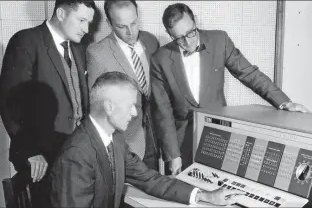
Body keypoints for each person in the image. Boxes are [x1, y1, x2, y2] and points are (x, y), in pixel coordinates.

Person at [150, 3, 309, 175]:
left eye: (190, 33)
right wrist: (173, 155)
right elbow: (162, 111)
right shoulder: (160, 59)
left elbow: (249, 73)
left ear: (195, 22)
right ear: (169, 34)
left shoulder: (219, 40)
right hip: (180, 142)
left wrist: (284, 103)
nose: (188, 42)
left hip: (218, 133)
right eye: (179, 38)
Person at [50, 71, 244, 208]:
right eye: (131, 105)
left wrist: (205, 196)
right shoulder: (76, 155)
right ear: (109, 106)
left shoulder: (114, 139)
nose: (135, 113)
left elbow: (148, 179)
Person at [0, 1, 95, 207]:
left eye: (89, 22)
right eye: (81, 20)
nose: (86, 29)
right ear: (60, 13)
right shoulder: (26, 40)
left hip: (74, 156)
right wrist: (30, 152)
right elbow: (10, 102)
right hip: (40, 158)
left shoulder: (78, 48)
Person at [87, 0, 159, 170]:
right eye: (121, 26)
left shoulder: (151, 41)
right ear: (109, 23)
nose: (130, 31)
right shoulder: (97, 53)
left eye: (133, 23)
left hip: (156, 137)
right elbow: (98, 108)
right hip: (127, 141)